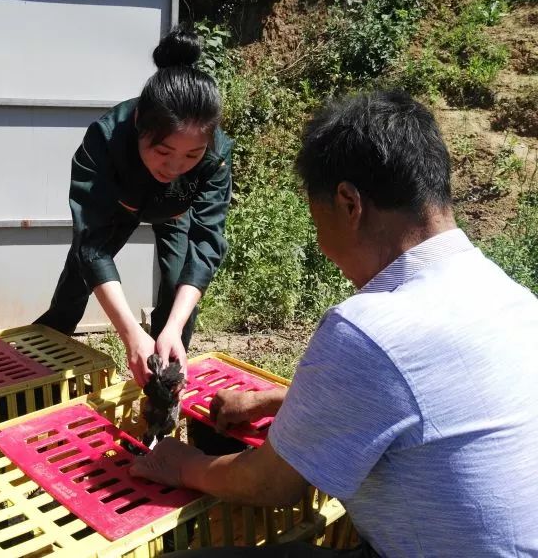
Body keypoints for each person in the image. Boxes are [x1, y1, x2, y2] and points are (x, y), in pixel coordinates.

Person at [129, 90, 538, 557]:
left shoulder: (370, 327)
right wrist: (282, 400)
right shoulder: (508, 294)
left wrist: (184, 465)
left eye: (317, 221)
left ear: (349, 203)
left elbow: (270, 485)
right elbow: (438, 394)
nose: (323, 243)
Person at [34, 27, 233, 387]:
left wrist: (172, 326)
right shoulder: (105, 139)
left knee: (177, 292)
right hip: (119, 208)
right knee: (77, 280)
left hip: (175, 211)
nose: (174, 168)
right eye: (162, 152)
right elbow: (92, 243)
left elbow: (205, 246)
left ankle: (165, 379)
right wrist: (130, 334)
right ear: (140, 123)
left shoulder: (217, 152)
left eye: (192, 155)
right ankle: (41, 368)